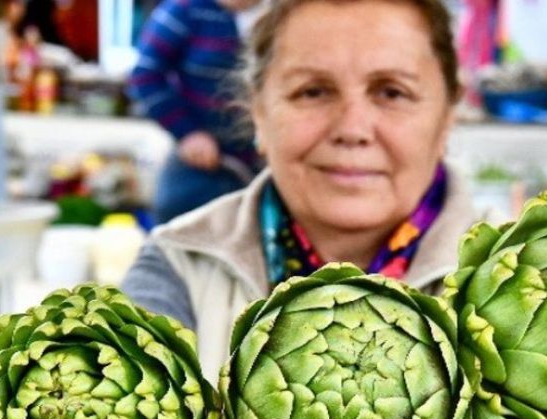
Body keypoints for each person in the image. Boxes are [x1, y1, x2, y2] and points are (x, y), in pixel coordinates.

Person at [122, 0, 477, 379]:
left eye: (392, 93)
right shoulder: (178, 267)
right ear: (258, 111)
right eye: (312, 92)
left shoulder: (531, 279)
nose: (352, 129)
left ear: (447, 117)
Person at [128, 0, 264, 224]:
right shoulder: (184, 10)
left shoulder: (282, 13)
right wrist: (188, 132)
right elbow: (145, 75)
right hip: (203, 159)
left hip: (264, 163)